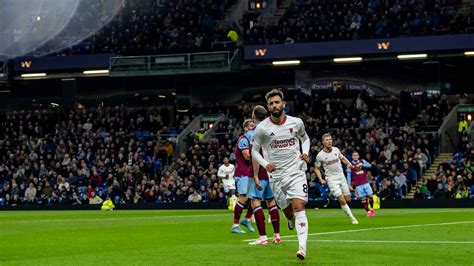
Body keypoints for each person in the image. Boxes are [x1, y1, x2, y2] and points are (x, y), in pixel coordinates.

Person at [252, 89, 311, 260]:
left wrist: (305, 153)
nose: (274, 105)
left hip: (296, 171)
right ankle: (290, 220)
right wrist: (265, 164)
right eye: (271, 103)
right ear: (268, 107)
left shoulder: (297, 122)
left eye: (277, 102)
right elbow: (254, 151)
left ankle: (302, 248)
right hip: (276, 176)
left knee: (299, 205)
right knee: (287, 211)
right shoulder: (262, 129)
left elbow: (305, 139)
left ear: (283, 104)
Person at [247, 105, 281, 245]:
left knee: (255, 201)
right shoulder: (273, 128)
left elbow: (255, 155)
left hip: (260, 170)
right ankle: (277, 235)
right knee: (271, 202)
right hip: (272, 171)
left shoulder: (254, 133)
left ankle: (263, 238)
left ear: (254, 117)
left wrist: (255, 175)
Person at [314, 133, 359, 225]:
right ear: (323, 142)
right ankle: (352, 218)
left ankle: (338, 200)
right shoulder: (320, 155)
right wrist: (321, 179)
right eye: (326, 140)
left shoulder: (336, 150)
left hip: (341, 177)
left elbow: (342, 158)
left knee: (348, 199)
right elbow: (316, 168)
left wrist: (348, 163)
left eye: (330, 139)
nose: (329, 141)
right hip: (331, 179)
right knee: (341, 199)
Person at [231, 119, 256, 234]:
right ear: (245, 128)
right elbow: (247, 157)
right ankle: (235, 225)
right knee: (244, 198)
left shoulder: (252, 140)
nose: (254, 128)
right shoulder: (243, 140)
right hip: (243, 173)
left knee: (255, 197)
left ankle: (247, 219)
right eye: (251, 126)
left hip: (250, 172)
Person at [346, 151, 375, 217]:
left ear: (358, 156)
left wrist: (362, 164)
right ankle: (368, 211)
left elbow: (369, 165)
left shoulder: (362, 161)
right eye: (354, 155)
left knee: (370, 196)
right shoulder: (350, 165)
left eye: (356, 155)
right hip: (358, 184)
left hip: (365, 182)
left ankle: (372, 209)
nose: (355, 156)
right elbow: (348, 176)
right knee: (363, 198)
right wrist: (349, 185)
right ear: (352, 157)